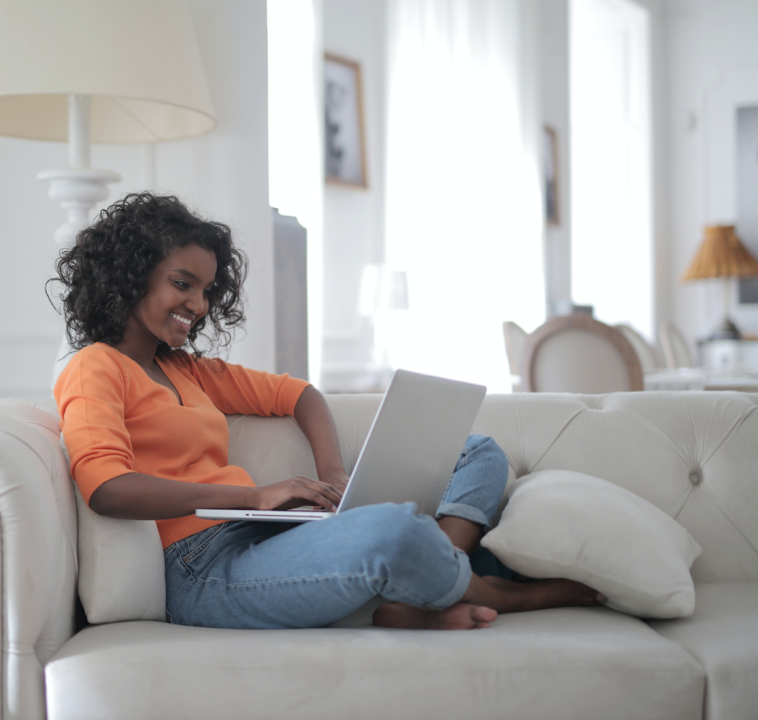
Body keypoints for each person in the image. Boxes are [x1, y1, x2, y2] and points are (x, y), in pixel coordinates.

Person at [50, 192, 604, 630]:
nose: (198, 306)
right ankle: (483, 588)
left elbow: (301, 395)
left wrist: (334, 474)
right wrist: (251, 497)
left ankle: (425, 587)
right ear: (129, 273)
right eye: (182, 284)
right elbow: (108, 488)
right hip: (201, 571)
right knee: (390, 528)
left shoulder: (187, 370)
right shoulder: (94, 367)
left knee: (476, 448)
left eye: (207, 290)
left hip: (262, 538)